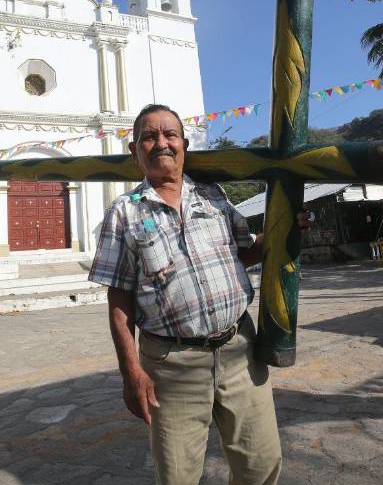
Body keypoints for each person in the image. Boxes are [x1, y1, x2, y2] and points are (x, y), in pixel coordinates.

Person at [89, 104, 282, 485]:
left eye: (169, 135)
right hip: (170, 365)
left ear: (184, 145)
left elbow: (247, 252)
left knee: (261, 466)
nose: (161, 143)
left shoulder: (213, 197)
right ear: (135, 151)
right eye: (149, 136)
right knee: (177, 477)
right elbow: (119, 301)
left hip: (239, 352)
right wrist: (132, 373)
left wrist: (286, 226)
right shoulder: (123, 213)